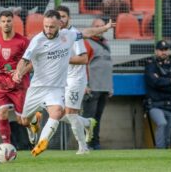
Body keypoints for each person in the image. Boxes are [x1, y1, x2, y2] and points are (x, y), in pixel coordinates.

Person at [12, 10, 112, 157]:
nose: (48, 30)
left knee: (58, 112)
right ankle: (34, 122)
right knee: (23, 120)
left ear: (60, 24)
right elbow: (25, 60)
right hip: (37, 88)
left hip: (56, 87)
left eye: (51, 26)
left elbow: (87, 32)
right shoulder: (37, 40)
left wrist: (104, 28)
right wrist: (18, 72)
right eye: (45, 26)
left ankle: (42, 142)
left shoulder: (68, 35)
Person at [0, 11, 30, 144]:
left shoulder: (23, 41)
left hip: (19, 84)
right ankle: (6, 146)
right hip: (2, 82)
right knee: (2, 113)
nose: (6, 24)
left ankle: (33, 121)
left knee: (22, 120)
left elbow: (32, 62)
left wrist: (20, 73)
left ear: (13, 22)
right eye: (3, 21)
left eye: (9, 21)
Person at [56, 5, 98, 154]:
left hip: (76, 79)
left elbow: (84, 59)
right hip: (61, 80)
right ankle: (87, 122)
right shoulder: (54, 35)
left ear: (69, 18)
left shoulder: (75, 35)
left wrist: (63, 59)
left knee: (71, 114)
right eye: (58, 16)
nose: (60, 19)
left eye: (63, 16)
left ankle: (83, 147)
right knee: (57, 113)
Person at [81, 17, 113, 150]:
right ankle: (85, 144)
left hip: (104, 87)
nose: (100, 28)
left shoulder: (105, 43)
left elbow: (108, 66)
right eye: (97, 26)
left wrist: (110, 87)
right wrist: (84, 84)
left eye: (102, 25)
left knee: (98, 118)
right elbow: (82, 65)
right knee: (89, 118)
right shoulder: (87, 43)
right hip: (92, 87)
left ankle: (95, 143)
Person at [145, 40, 171, 149]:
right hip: (155, 105)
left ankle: (165, 154)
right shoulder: (151, 66)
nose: (163, 52)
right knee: (162, 123)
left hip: (170, 106)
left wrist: (162, 82)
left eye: (166, 50)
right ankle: (159, 151)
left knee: (168, 138)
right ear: (156, 51)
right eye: (161, 50)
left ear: (169, 51)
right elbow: (155, 83)